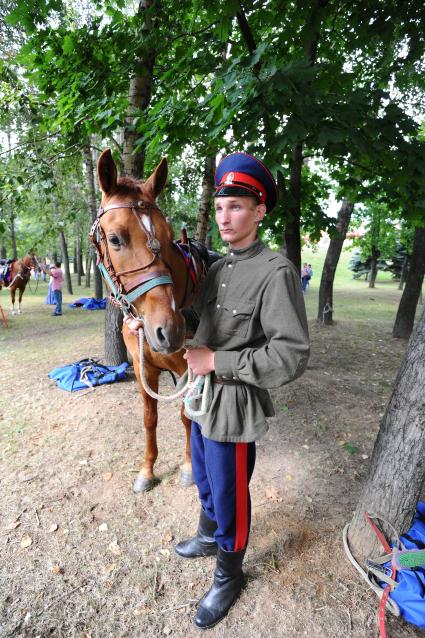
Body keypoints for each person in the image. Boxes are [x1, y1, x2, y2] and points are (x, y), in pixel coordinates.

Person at [176, 152, 310, 628]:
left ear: (259, 211)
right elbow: (204, 323)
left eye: (235, 206)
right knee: (207, 482)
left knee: (231, 494)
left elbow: (290, 354)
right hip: (202, 398)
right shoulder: (217, 270)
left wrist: (219, 361)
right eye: (219, 207)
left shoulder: (276, 272)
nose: (225, 217)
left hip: (232, 405)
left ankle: (228, 574)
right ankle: (209, 534)